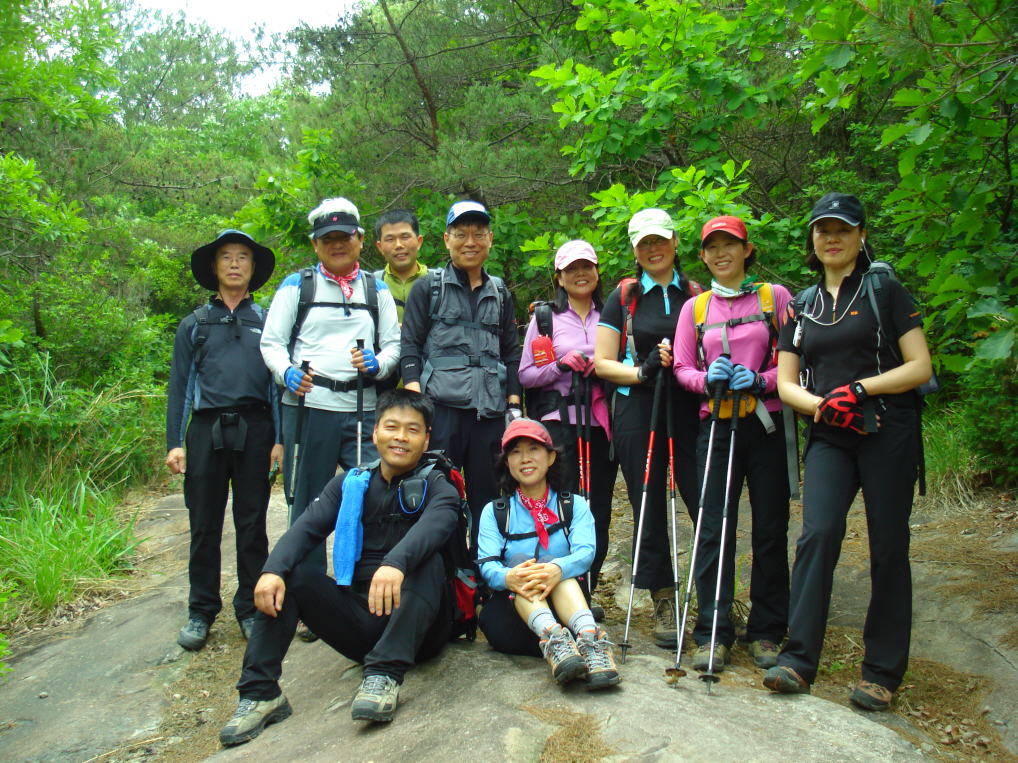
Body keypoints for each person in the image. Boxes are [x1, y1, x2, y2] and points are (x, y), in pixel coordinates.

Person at [764, 193, 932, 711]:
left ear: (861, 235)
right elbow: (787, 382)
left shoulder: (885, 289)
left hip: (887, 430)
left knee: (887, 543)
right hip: (831, 435)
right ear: (812, 241)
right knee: (817, 534)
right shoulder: (801, 306)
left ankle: (881, 672)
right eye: (821, 230)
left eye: (842, 228)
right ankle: (797, 660)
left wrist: (860, 390)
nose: (831, 237)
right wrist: (821, 406)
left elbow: (919, 365)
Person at [218, 390, 460, 745]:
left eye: (412, 430)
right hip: (360, 619)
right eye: (392, 426)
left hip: (420, 627)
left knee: (428, 561)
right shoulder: (351, 485)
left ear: (426, 440)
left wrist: (395, 563)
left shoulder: (440, 486)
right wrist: (272, 571)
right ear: (375, 432)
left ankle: (384, 675)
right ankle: (261, 692)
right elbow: (306, 528)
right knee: (292, 574)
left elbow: (435, 528)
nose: (400, 437)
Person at [672, 215, 793, 673]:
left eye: (731, 244)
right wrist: (707, 379)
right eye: (713, 247)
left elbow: (793, 360)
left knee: (769, 529)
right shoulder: (695, 308)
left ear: (747, 250)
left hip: (766, 426)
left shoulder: (773, 298)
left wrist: (762, 380)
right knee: (713, 529)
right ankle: (712, 631)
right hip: (717, 426)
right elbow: (683, 368)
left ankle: (765, 631)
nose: (722, 253)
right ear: (703, 256)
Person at [260, 197, 401, 582]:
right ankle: (308, 594)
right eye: (328, 239)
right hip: (309, 407)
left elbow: (393, 345)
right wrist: (286, 373)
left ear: (359, 240)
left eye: (345, 237)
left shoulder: (376, 289)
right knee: (308, 503)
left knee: (371, 496)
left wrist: (379, 364)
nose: (337, 245)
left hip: (364, 409)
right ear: (315, 244)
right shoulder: (297, 286)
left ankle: (363, 582)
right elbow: (271, 343)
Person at [166, 229, 283, 651]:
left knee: (252, 524)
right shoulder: (194, 326)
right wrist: (174, 443)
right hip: (204, 431)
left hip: (256, 431)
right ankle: (201, 611)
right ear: (214, 267)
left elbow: (278, 386)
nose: (235, 264)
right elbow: (180, 388)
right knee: (204, 524)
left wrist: (281, 439)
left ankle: (250, 609)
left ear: (253, 268)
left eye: (243, 257)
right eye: (226, 257)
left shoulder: (268, 322)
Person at [593, 208, 702, 650]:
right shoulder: (625, 297)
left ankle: (714, 597)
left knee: (703, 497)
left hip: (690, 403)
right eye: (644, 244)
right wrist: (641, 370)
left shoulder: (697, 294)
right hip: (639, 405)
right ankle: (663, 598)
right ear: (634, 250)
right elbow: (603, 362)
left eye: (660, 240)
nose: (653, 249)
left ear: (675, 242)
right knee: (649, 500)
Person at [400, 200, 522, 546]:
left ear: (490, 239)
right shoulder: (428, 287)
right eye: (461, 234)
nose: (470, 241)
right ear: (446, 239)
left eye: (478, 233)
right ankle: (445, 577)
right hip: (441, 410)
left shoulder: (500, 292)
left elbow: (511, 351)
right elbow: (409, 346)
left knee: (490, 498)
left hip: (490, 413)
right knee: (440, 494)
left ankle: (486, 577)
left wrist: (513, 404)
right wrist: (416, 404)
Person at [476, 419, 620, 690]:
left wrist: (556, 569)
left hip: (569, 611)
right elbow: (487, 564)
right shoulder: (495, 512)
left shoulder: (572, 505)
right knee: (519, 565)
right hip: (516, 618)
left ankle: (590, 640)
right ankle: (555, 640)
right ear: (507, 462)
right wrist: (510, 578)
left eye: (534, 449)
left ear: (551, 457)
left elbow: (586, 552)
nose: (525, 458)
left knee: (558, 568)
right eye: (515, 452)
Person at [517, 240, 619, 608]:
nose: (580, 274)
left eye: (586, 266)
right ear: (558, 277)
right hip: (558, 423)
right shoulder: (545, 319)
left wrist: (605, 368)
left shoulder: (612, 314)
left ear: (596, 271)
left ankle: (586, 591)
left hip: (600, 422)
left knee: (598, 508)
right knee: (563, 505)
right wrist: (559, 366)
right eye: (571, 269)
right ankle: (562, 590)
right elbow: (526, 374)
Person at [373, 209, 429, 325]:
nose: (398, 245)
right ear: (380, 247)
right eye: (390, 239)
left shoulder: (439, 282)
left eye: (405, 237)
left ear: (419, 242)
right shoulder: (371, 284)